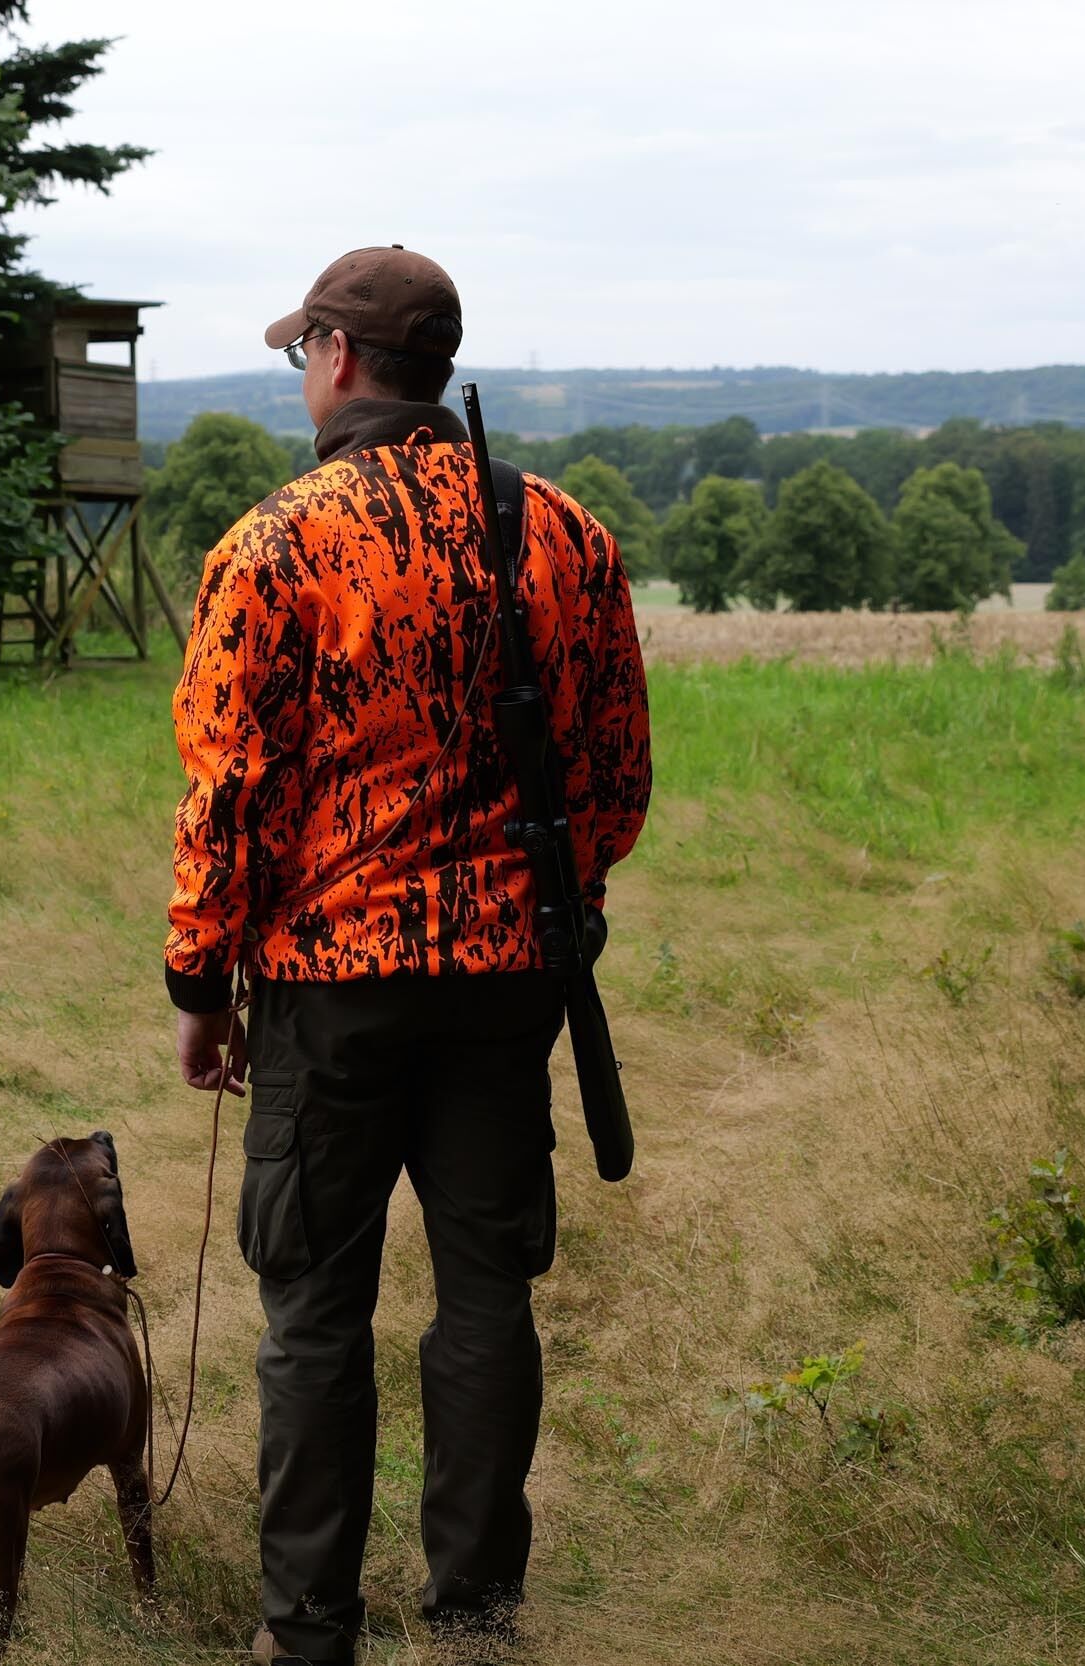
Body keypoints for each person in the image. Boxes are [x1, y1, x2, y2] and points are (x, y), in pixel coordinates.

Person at [163, 245, 652, 1664]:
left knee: (316, 1307)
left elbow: (231, 793)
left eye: (299, 353)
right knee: (487, 1298)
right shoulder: (565, 535)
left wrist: (201, 981)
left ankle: (308, 1633)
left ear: (335, 356)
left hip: (329, 991)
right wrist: (542, 902)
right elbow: (615, 776)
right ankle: (477, 1620)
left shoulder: (276, 545)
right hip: (508, 984)